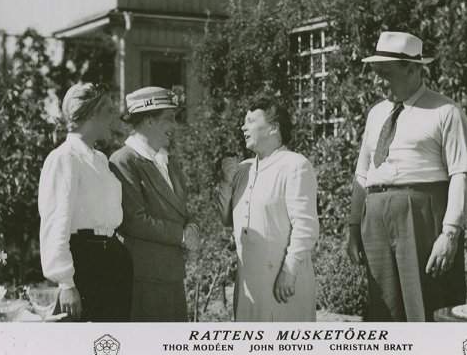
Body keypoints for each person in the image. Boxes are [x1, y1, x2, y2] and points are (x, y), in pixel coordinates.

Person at [348, 31, 467, 322]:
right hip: (377, 217)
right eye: (376, 73)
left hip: (420, 217)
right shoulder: (375, 113)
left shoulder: (445, 111)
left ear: (413, 69)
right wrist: (354, 227)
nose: (378, 81)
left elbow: (462, 173)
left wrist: (450, 233)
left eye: (385, 73)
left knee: (427, 305)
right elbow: (362, 173)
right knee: (385, 312)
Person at [218, 96, 319, 321]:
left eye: (251, 121)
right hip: (248, 286)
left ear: (273, 128)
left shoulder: (295, 165)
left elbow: (306, 225)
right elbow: (227, 219)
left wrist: (289, 271)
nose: (243, 126)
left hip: (283, 283)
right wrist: (226, 183)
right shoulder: (243, 169)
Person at [38, 83, 132, 322]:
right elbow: (55, 223)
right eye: (109, 111)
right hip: (85, 264)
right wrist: (66, 283)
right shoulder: (64, 158)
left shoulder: (99, 159)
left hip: (111, 259)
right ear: (91, 113)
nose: (116, 116)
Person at [109, 87, 199, 321]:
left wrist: (193, 228)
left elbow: (182, 211)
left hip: (172, 277)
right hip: (144, 279)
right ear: (149, 120)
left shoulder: (169, 162)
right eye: (169, 119)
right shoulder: (124, 161)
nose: (175, 126)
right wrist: (181, 235)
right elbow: (134, 220)